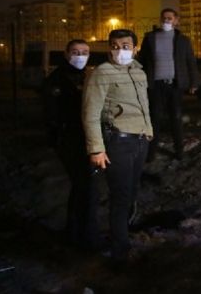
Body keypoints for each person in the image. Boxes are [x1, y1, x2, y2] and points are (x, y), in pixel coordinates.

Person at [83, 29, 153, 265]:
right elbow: (90, 113)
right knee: (120, 197)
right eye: (114, 46)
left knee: (132, 192)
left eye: (125, 45)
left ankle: (124, 237)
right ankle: (120, 253)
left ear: (135, 48)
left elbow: (145, 105)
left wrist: (148, 131)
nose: (119, 50)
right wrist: (96, 149)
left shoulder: (139, 72)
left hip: (140, 140)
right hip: (118, 142)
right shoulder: (102, 73)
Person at [43, 39, 100, 251]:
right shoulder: (56, 80)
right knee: (87, 186)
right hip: (69, 140)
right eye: (75, 52)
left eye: (84, 52)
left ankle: (75, 232)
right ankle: (87, 238)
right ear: (66, 54)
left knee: (82, 187)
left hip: (85, 138)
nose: (80, 56)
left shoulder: (87, 76)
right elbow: (52, 115)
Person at [138, 8, 200, 161]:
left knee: (176, 118)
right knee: (155, 118)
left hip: (175, 86)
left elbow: (190, 61)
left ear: (176, 21)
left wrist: (194, 82)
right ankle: (150, 153)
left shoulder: (183, 40)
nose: (166, 20)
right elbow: (142, 60)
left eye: (170, 18)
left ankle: (179, 151)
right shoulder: (150, 37)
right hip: (155, 85)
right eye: (164, 18)